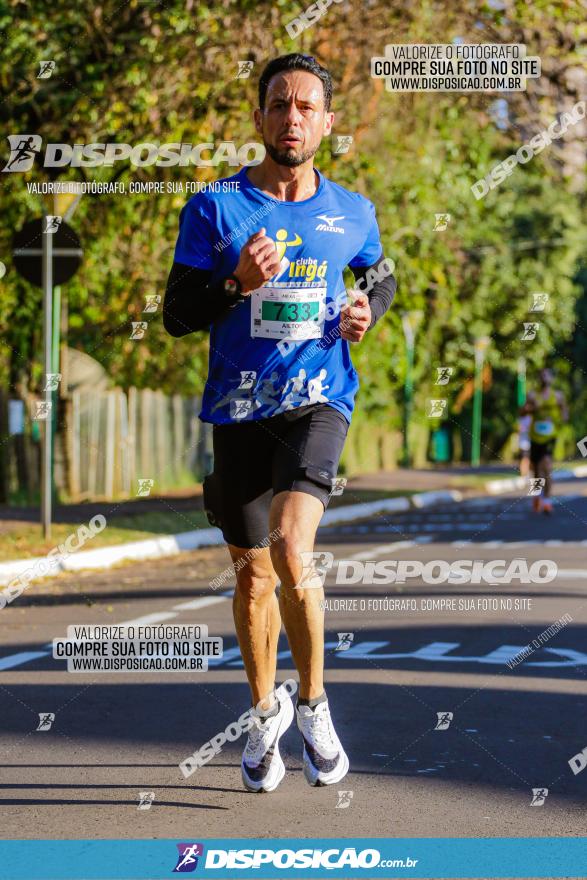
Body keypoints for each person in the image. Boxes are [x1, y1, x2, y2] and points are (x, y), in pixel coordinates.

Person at [163, 53, 396, 792]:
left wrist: (368, 308)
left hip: (318, 401)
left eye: (305, 106)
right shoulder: (215, 207)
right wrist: (237, 282)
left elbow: (381, 273)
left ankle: (315, 703)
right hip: (236, 411)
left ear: (327, 123)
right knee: (252, 576)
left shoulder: (353, 210)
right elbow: (175, 315)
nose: (290, 117)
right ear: (259, 117)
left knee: (293, 549)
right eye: (278, 104)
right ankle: (265, 711)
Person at [520, 368, 567, 514]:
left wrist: (560, 418)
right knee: (536, 470)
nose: (544, 378)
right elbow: (522, 412)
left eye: (547, 375)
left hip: (550, 436)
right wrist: (532, 408)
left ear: (551, 379)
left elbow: (565, 413)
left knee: (547, 465)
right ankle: (537, 497)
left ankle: (546, 501)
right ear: (539, 379)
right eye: (541, 376)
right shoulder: (533, 395)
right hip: (535, 437)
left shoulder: (558, 396)